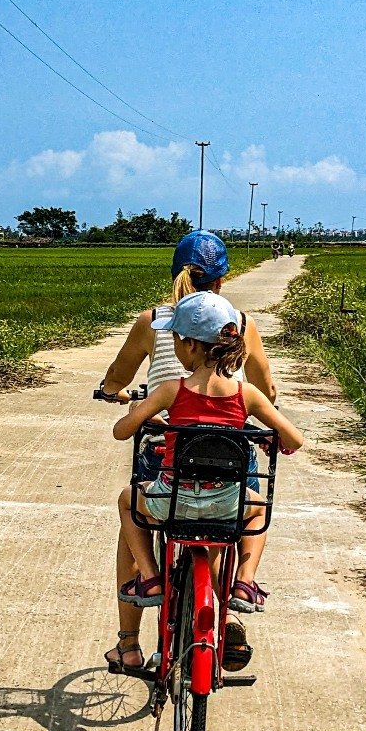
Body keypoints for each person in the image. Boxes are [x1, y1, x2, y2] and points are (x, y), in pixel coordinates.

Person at [99, 232, 279, 673]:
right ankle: (229, 612)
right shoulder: (240, 325)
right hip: (228, 462)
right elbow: (268, 391)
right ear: (222, 281)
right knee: (222, 524)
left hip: (167, 454)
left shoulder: (154, 321)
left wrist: (114, 394)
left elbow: (116, 379)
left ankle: (129, 643)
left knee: (138, 519)